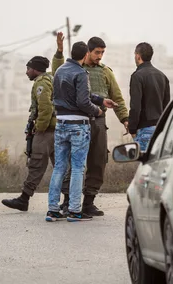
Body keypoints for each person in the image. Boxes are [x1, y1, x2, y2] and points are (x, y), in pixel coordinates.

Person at [52, 34, 129, 216]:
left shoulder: (105, 72)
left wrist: (125, 119)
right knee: (73, 164)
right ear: (88, 51)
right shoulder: (75, 69)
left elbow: (116, 97)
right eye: (97, 52)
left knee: (98, 160)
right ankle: (69, 201)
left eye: (102, 52)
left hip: (98, 122)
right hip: (77, 121)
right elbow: (57, 71)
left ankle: (88, 202)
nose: (100, 56)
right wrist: (59, 51)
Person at [2, 54, 56, 212]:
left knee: (36, 164)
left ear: (35, 69)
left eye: (28, 68)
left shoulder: (42, 83)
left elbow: (46, 108)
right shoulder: (49, 79)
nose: (26, 72)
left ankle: (24, 199)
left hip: (46, 132)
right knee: (61, 166)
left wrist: (38, 128)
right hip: (53, 130)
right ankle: (67, 200)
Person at [128, 42, 170, 151]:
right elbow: (167, 106)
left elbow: (135, 106)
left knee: (144, 165)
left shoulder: (137, 76)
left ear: (138, 56)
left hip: (144, 130)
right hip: (160, 130)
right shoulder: (162, 76)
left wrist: (132, 128)